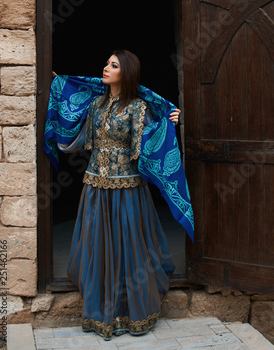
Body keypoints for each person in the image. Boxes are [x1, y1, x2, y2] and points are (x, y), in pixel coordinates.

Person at [51, 50, 187, 341]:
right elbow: (72, 113)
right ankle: (101, 313)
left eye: (113, 65)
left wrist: (169, 123)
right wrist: (61, 84)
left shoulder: (137, 108)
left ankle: (132, 313)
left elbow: (150, 140)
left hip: (127, 188)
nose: (105, 68)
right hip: (94, 188)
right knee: (97, 246)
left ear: (125, 73)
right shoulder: (97, 104)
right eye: (106, 63)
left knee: (128, 247)